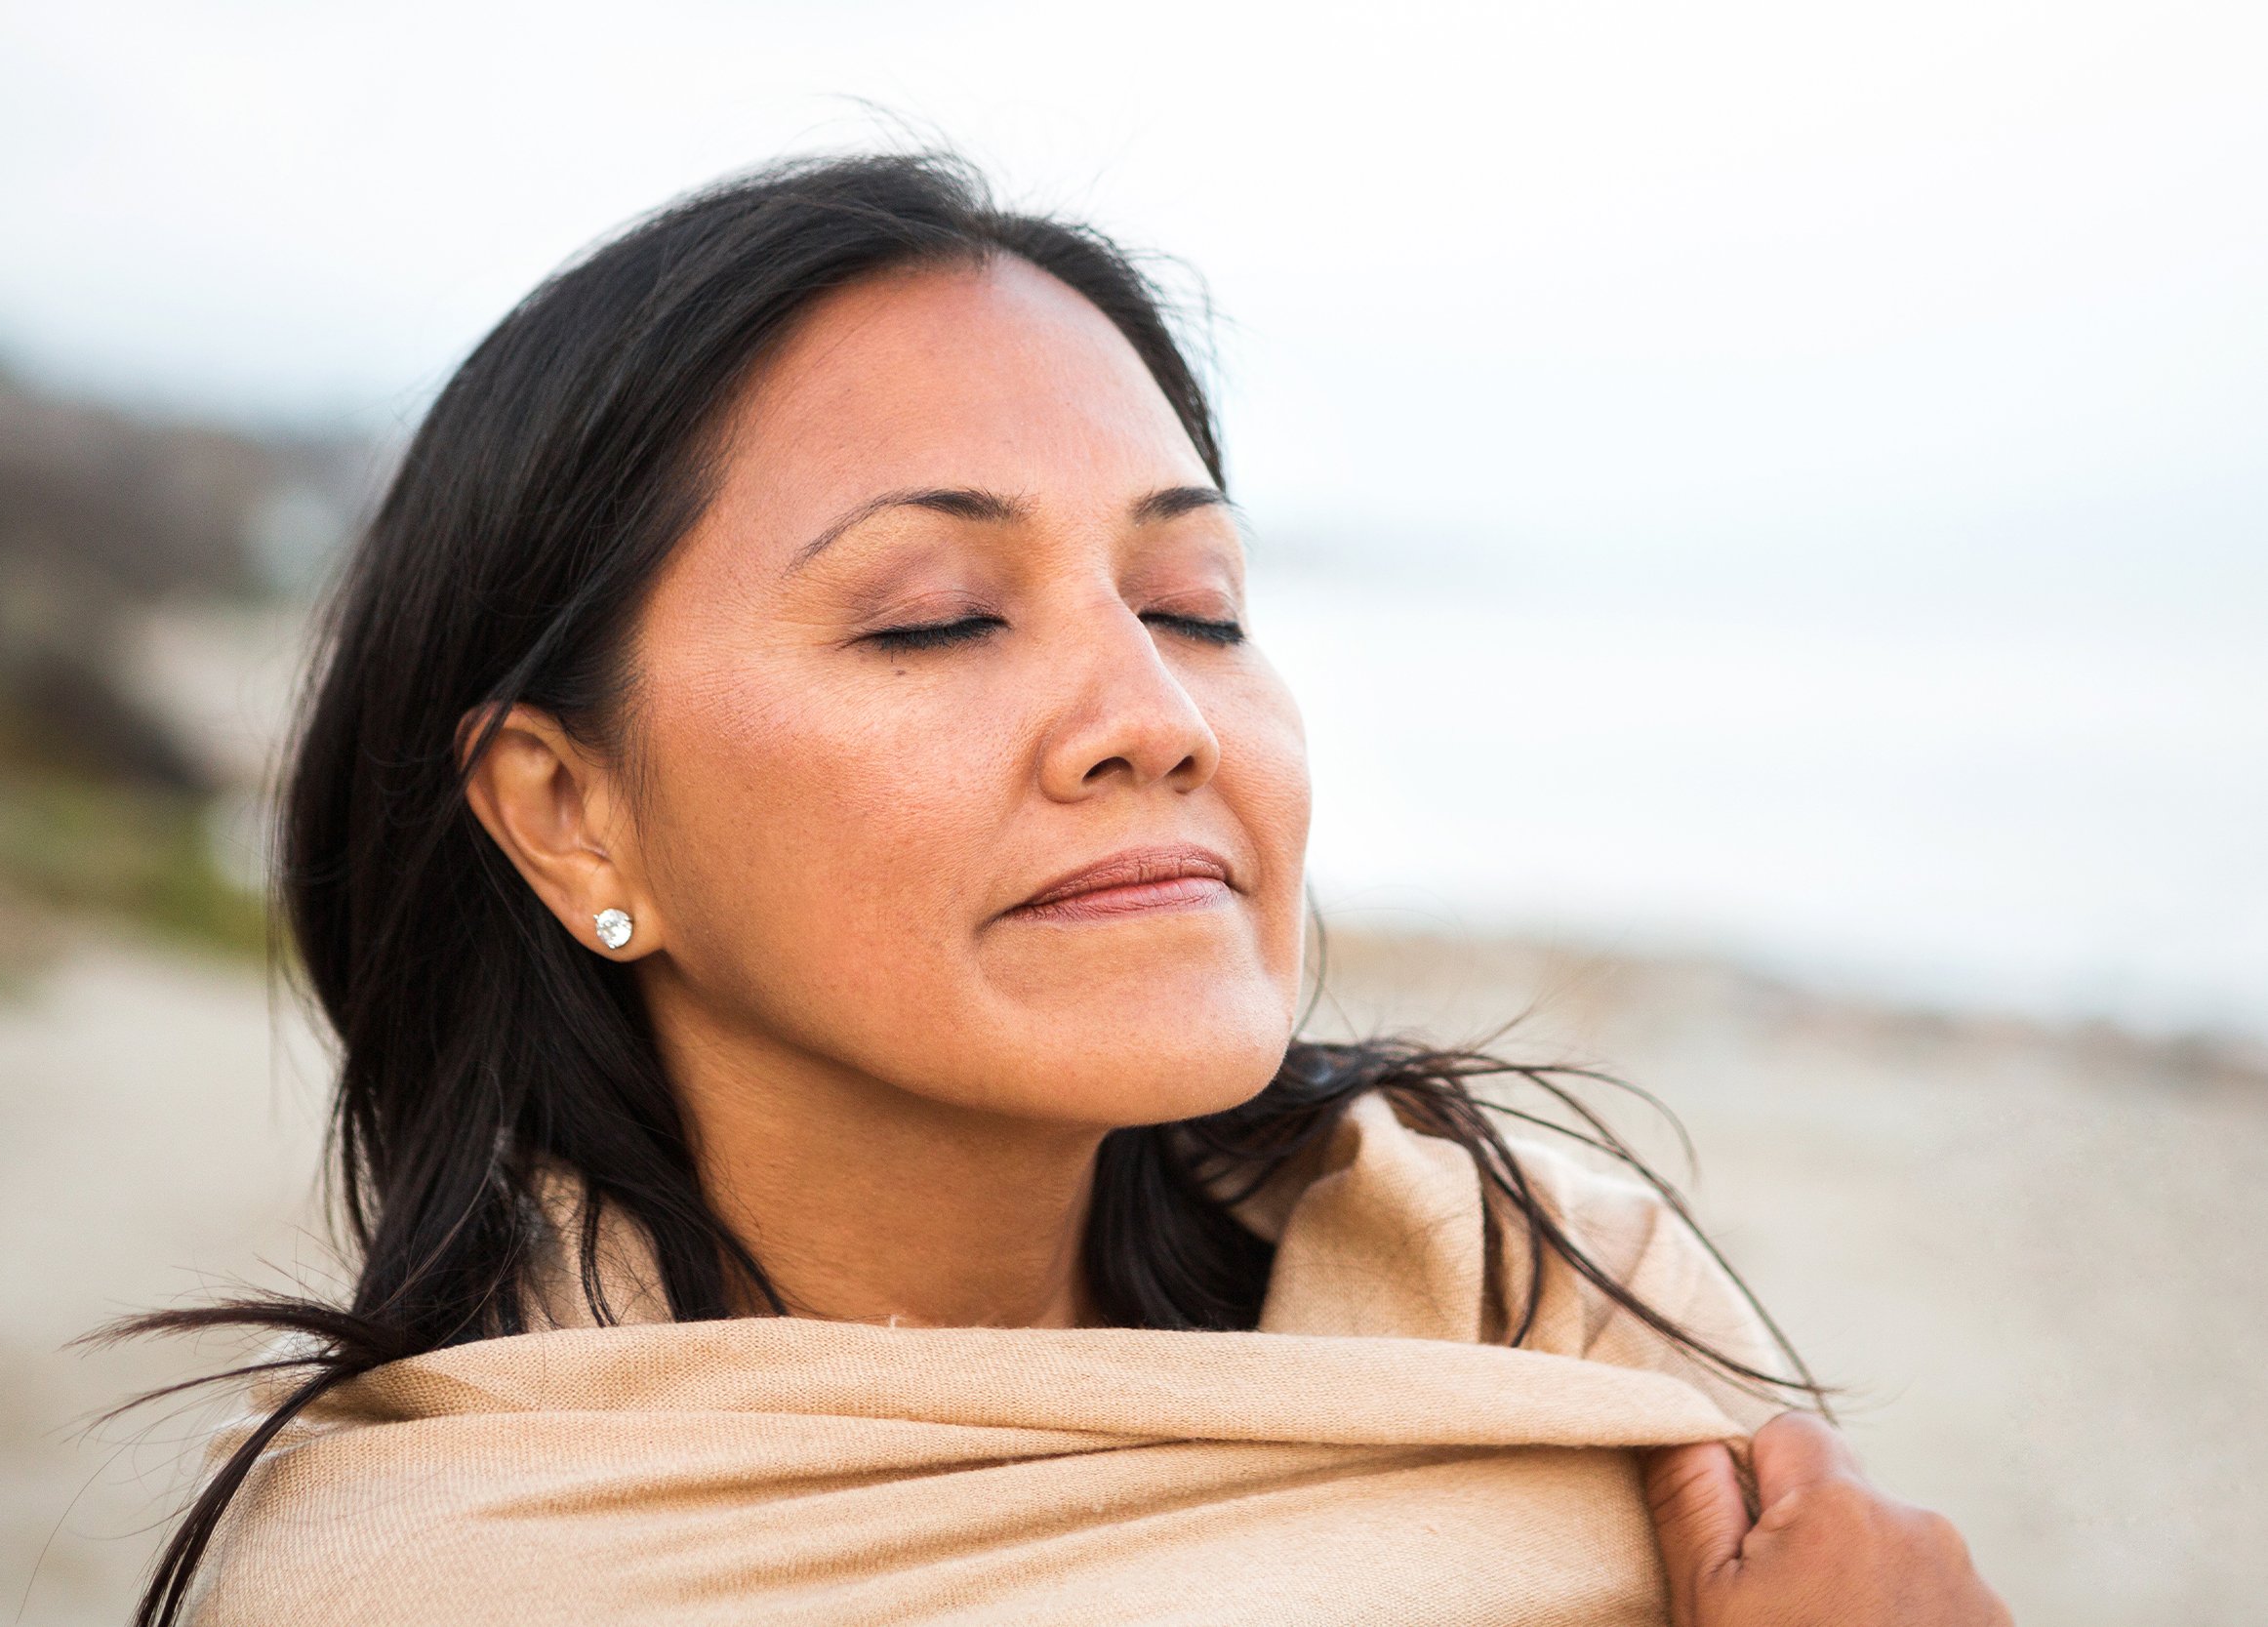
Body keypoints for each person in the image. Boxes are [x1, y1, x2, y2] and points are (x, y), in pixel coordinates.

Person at [116, 151, 2009, 1626]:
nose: (1151, 712)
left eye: (1197, 605)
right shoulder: (442, 1573)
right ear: (568, 810)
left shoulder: (1561, 1309)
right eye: (934, 619)